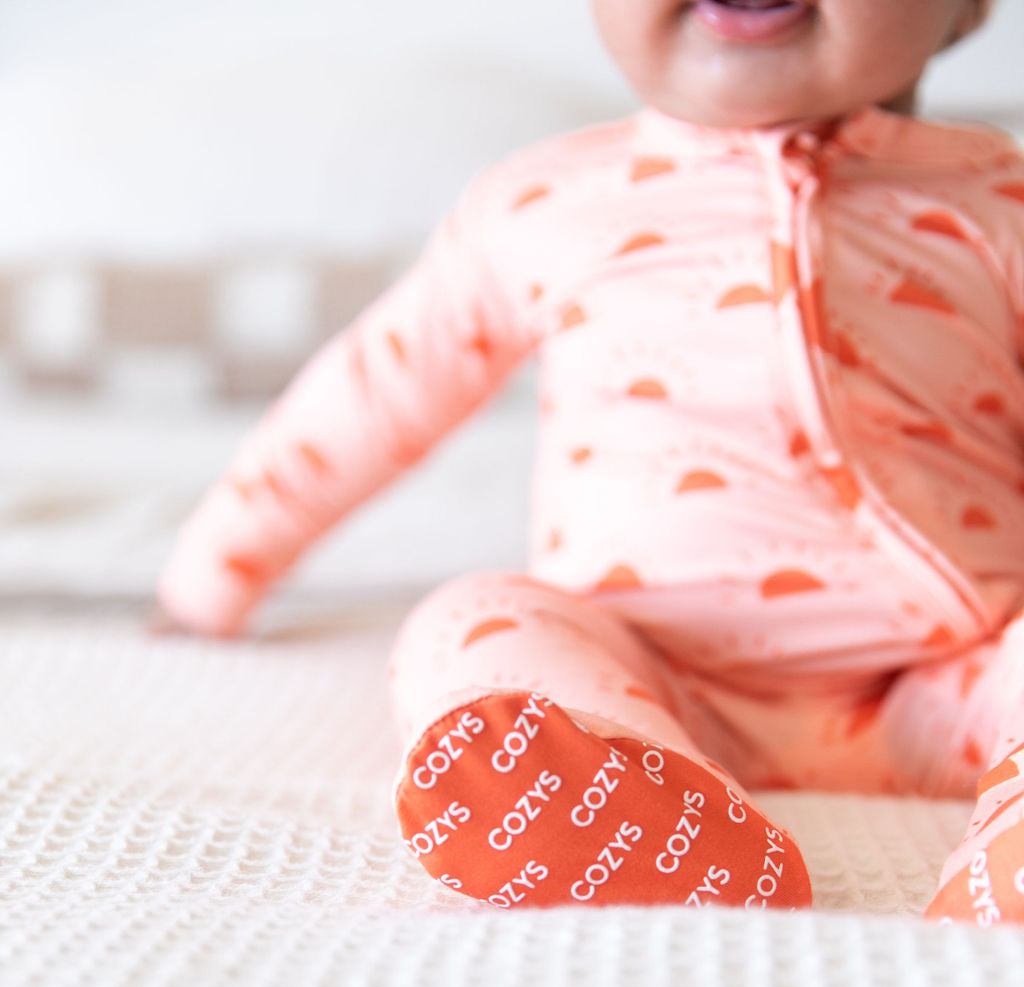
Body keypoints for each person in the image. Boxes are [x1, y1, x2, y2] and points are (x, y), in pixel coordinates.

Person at [157, 0, 1024, 923]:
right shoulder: (543, 204)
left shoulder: (998, 203)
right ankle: (606, 803)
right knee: (471, 614)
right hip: (643, 666)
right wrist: (208, 578)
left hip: (950, 676)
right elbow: (370, 396)